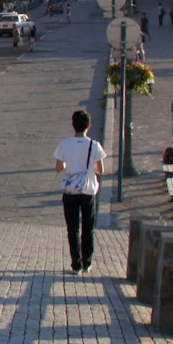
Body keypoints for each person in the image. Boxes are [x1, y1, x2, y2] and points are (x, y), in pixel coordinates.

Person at [54, 109, 106, 274]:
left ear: (72, 125)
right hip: (88, 190)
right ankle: (87, 262)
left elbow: (58, 167)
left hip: (70, 191)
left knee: (73, 229)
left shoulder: (64, 144)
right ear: (88, 126)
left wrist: (68, 165)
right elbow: (100, 170)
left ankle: (75, 263)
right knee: (88, 228)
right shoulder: (94, 145)